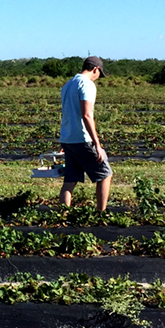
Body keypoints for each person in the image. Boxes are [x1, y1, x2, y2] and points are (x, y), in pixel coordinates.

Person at [58, 56, 112, 211]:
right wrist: (97, 144)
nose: (98, 78)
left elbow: (68, 113)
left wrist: (65, 141)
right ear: (95, 69)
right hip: (83, 139)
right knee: (105, 174)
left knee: (70, 179)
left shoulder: (68, 85)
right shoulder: (87, 85)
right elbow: (86, 115)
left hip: (68, 139)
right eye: (99, 74)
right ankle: (100, 213)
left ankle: (63, 215)